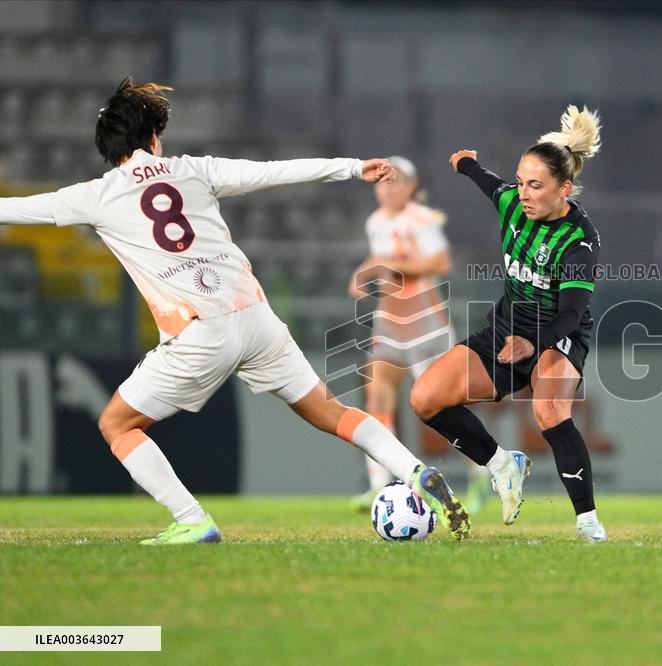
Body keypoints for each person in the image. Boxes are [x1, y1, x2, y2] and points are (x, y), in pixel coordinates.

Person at [0, 77, 470, 543]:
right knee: (333, 413)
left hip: (200, 330)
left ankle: (191, 519)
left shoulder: (95, 195)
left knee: (116, 424)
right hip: (257, 316)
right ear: (153, 139)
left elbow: (16, 209)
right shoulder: (193, 170)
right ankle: (414, 469)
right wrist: (350, 168)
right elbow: (270, 172)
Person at [409, 105, 607, 541]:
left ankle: (588, 523)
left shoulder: (579, 241)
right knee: (424, 399)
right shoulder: (512, 203)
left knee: (549, 409)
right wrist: (466, 164)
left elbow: (572, 313)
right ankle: (502, 465)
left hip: (558, 335)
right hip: (505, 329)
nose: (523, 193)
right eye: (521, 182)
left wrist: (532, 344)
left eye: (536, 185)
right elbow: (489, 183)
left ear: (565, 189)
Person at [346, 156, 493, 513]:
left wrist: (386, 265)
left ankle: (481, 476)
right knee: (377, 401)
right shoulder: (376, 221)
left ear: (411, 187)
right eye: (383, 181)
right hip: (390, 324)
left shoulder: (422, 220)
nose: (388, 187)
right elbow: (381, 259)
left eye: (396, 181)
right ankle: (378, 486)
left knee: (443, 406)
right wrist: (362, 274)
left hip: (425, 324)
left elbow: (440, 263)